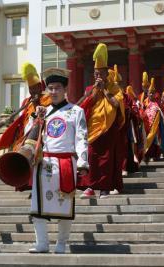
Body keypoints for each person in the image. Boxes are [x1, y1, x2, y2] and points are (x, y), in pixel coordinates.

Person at [28, 67, 88, 254]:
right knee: (37, 205)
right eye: (50, 88)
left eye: (57, 88)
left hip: (65, 163)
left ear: (65, 90)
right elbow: (29, 136)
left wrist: (82, 161)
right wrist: (35, 119)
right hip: (44, 163)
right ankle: (42, 243)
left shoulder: (76, 111)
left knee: (65, 207)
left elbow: (82, 137)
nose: (53, 92)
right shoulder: (43, 112)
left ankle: (61, 243)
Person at [0, 62, 52, 190]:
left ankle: (37, 186)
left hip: (42, 134)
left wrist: (37, 104)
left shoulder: (48, 98)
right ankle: (25, 183)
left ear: (40, 87)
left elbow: (46, 115)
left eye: (35, 88)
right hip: (26, 134)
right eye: (30, 89)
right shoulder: (26, 101)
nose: (32, 91)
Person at [78, 43, 125, 199]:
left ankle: (104, 188)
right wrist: (95, 91)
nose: (97, 76)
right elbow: (83, 105)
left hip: (108, 128)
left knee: (106, 159)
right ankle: (90, 187)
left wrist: (104, 90)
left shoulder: (114, 89)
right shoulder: (90, 89)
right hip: (92, 128)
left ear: (106, 74)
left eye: (100, 73)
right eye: (95, 73)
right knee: (91, 156)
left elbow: (117, 104)